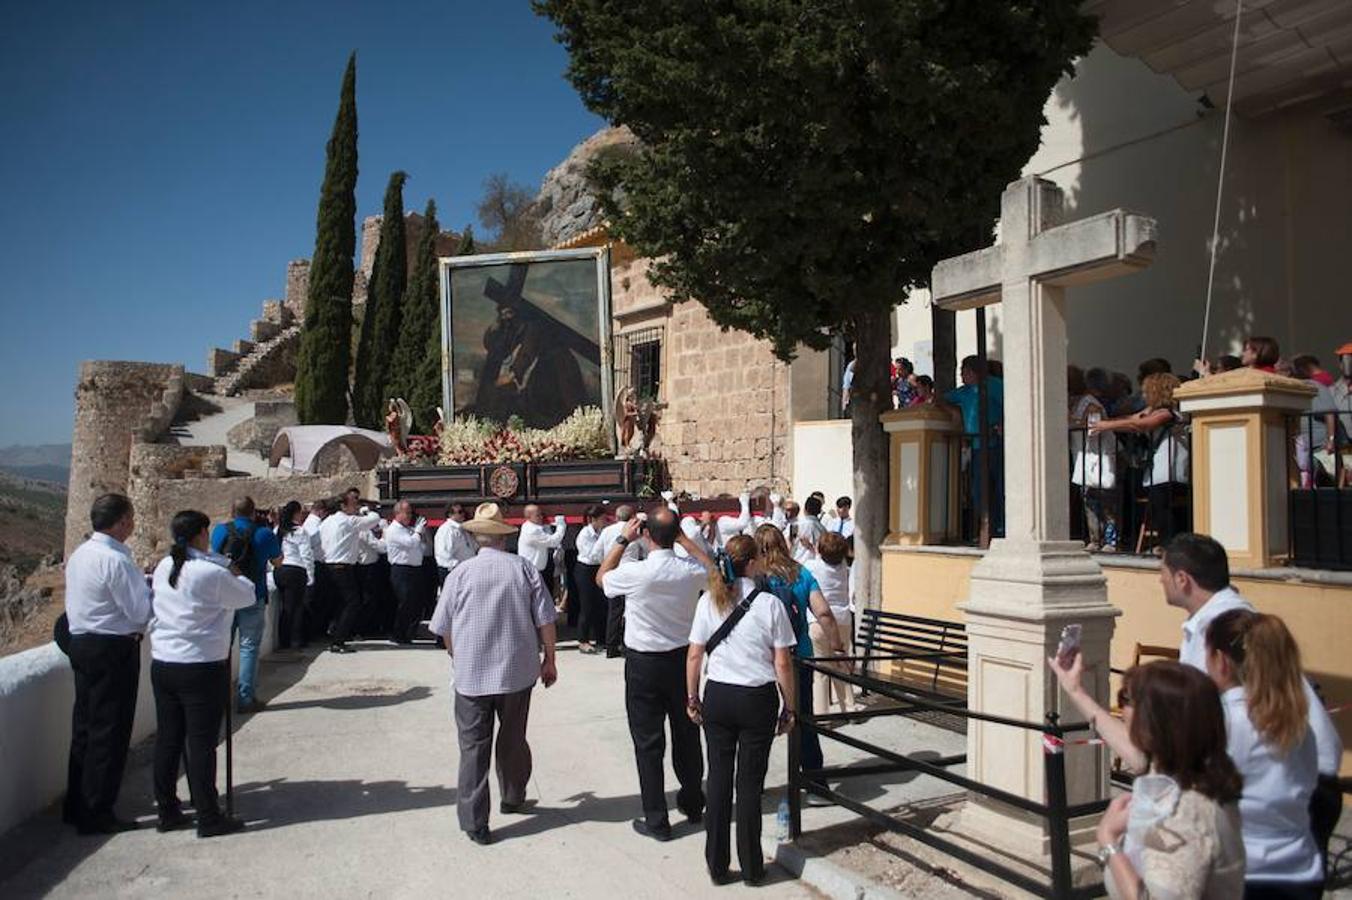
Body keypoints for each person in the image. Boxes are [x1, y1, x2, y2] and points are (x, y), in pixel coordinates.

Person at [1159, 534, 1343, 876]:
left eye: (1164, 573)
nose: (1161, 580)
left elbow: (1204, 720)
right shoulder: (1222, 619)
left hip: (1295, 784)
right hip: (1291, 778)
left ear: (1182, 579)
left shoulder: (1222, 629)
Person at [1048, 659, 1244, 899]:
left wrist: (1107, 839)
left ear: (1156, 721)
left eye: (1125, 699)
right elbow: (1121, 738)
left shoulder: (1187, 812)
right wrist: (1074, 689)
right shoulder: (1174, 767)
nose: (1120, 709)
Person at [428, 503, 558, 845]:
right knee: (513, 738)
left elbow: (442, 626)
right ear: (503, 536)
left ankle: (475, 821)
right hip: (516, 670)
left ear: (475, 537)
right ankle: (513, 795)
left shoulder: (459, 574)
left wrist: (459, 655)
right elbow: (545, 617)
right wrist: (550, 659)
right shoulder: (523, 569)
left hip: (472, 675)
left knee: (473, 747)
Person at [598, 507, 715, 841]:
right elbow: (714, 571)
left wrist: (622, 539)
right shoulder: (689, 571)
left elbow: (601, 578)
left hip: (644, 663)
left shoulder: (636, 572)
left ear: (646, 534)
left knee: (648, 742)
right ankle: (694, 803)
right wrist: (684, 540)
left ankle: (656, 818)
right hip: (681, 659)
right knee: (687, 734)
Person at [685, 535, 797, 886]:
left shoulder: (709, 602)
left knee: (718, 781)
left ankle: (717, 866)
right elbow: (783, 663)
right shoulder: (770, 605)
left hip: (718, 694)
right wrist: (789, 705)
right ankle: (751, 867)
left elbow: (694, 654)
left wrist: (692, 697)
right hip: (756, 698)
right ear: (753, 562)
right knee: (750, 785)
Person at [149, 510, 256, 837]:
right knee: (202, 743)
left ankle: (167, 810)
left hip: (164, 662)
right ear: (200, 535)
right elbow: (248, 594)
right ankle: (208, 816)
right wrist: (230, 567)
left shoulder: (165, 566)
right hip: (200, 665)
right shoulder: (209, 572)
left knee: (168, 739)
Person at [1205, 610, 1323, 897]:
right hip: (1300, 868)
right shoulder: (1299, 723)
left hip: (1246, 871)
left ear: (1221, 661)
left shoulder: (1224, 721)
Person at [63, 493, 153, 835]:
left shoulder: (80, 554)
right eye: (130, 519)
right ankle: (97, 811)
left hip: (82, 643)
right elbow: (138, 612)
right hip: (112, 648)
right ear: (121, 523)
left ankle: (77, 804)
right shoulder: (117, 560)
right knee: (109, 731)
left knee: (84, 727)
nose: (132, 525)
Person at [752, 524, 845, 784]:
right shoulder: (801, 573)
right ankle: (815, 781)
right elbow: (823, 613)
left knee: (759, 727)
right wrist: (837, 646)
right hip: (798, 655)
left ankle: (754, 784)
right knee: (803, 721)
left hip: (762, 658)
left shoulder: (754, 575)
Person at [1091, 373, 1188, 552]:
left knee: (1165, 507)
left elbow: (1141, 425)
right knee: (1157, 506)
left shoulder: (1169, 413)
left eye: (1146, 392)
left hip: (1171, 468)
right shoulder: (1152, 411)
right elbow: (1132, 419)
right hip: (1158, 469)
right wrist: (1107, 421)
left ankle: (1170, 545)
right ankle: (1163, 544)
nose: (1143, 396)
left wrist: (1106, 426)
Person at [209, 496, 281, 714]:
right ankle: (245, 698)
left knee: (222, 647)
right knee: (249, 648)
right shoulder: (264, 534)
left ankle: (217, 699)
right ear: (253, 512)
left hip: (224, 597)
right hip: (253, 594)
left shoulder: (220, 531)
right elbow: (278, 562)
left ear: (232, 511)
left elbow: (214, 557)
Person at [942, 355, 1005, 537]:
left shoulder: (995, 385)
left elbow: (1011, 404)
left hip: (997, 444)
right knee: (979, 490)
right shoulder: (964, 392)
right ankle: (987, 527)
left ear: (973, 372)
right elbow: (941, 399)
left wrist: (1002, 423)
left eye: (964, 371)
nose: (962, 375)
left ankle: (1001, 529)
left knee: (999, 488)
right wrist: (954, 413)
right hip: (978, 446)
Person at [317, 493, 381, 654]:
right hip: (342, 567)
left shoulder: (327, 521)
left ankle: (335, 635)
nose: (356, 506)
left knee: (340, 604)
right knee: (353, 603)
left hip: (328, 566)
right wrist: (367, 509)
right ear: (343, 506)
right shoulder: (348, 520)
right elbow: (374, 519)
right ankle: (339, 640)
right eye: (354, 503)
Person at [805, 532, 857, 717]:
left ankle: (822, 715)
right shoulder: (844, 568)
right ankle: (849, 709)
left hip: (819, 622)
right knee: (841, 665)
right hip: (843, 620)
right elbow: (831, 555)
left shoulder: (812, 567)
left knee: (821, 672)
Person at [1070, 365, 1118, 552]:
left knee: (1105, 499)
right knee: (1088, 498)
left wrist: (1069, 421)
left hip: (1099, 456)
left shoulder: (1090, 402)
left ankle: (1110, 540)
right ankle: (1094, 538)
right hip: (1084, 457)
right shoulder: (1077, 403)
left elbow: (1093, 424)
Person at [596, 504, 644, 658]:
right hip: (632, 572)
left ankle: (611, 646)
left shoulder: (607, 531)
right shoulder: (635, 531)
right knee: (631, 610)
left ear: (616, 517)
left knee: (614, 610)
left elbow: (597, 551)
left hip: (613, 572)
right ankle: (627, 643)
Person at [385, 501, 429, 644]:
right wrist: (417, 531)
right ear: (398, 514)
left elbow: (420, 546)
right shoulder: (393, 530)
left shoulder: (407, 529)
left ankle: (410, 632)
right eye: (407, 512)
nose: (410, 516)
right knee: (405, 602)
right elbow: (411, 543)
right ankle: (398, 633)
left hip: (415, 568)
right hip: (402, 569)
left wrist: (417, 534)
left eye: (410, 512)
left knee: (416, 602)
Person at [274, 501, 313, 651]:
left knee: (286, 607)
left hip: (280, 569)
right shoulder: (299, 531)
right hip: (296, 569)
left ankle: (283, 639)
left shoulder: (278, 530)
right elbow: (306, 555)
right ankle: (295, 640)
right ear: (296, 513)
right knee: (296, 608)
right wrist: (310, 575)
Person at [572, 505, 608, 654]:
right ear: (593, 519)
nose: (605, 521)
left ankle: (601, 638)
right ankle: (583, 640)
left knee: (601, 604)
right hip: (585, 569)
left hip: (598, 568)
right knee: (587, 605)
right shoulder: (585, 534)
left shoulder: (601, 532)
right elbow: (591, 555)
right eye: (602, 519)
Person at [517, 504, 567, 601]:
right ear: (528, 517)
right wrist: (561, 525)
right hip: (533, 573)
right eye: (537, 515)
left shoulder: (532, 527)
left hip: (536, 571)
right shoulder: (532, 531)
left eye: (541, 515)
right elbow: (553, 542)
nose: (541, 517)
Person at [433, 502, 476, 584]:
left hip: (464, 570)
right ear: (450, 514)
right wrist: (459, 567)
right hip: (453, 571)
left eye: (463, 511)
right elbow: (444, 554)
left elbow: (474, 547)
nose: (463, 514)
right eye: (459, 512)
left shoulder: (462, 529)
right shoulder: (447, 530)